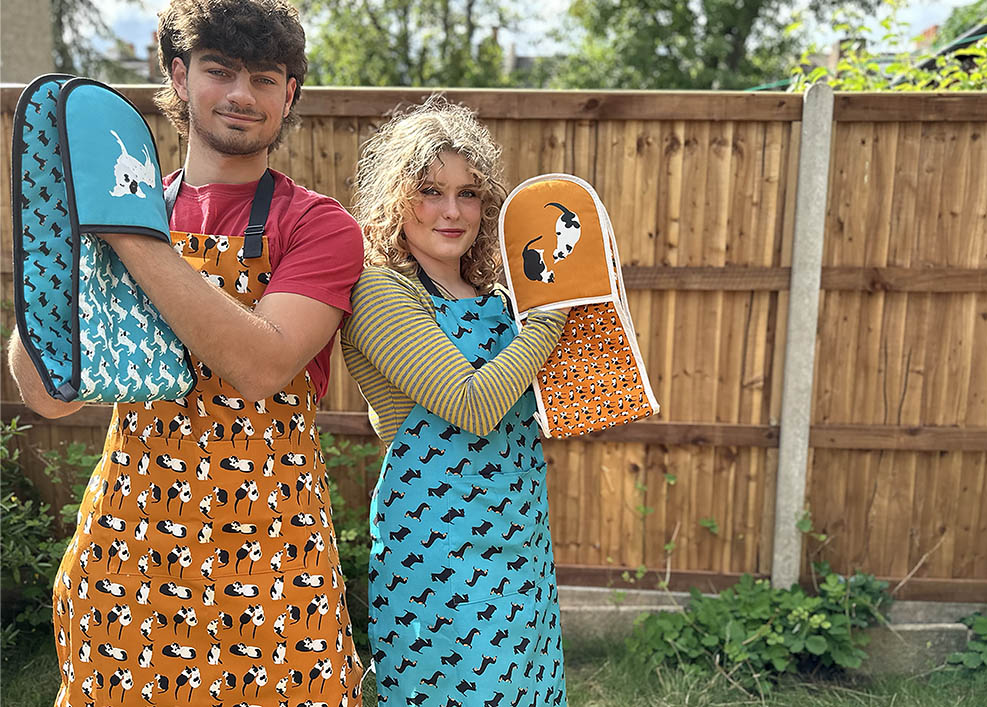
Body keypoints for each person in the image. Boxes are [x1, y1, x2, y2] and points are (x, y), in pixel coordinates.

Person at [6, 1, 365, 704]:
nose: (241, 95)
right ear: (178, 74)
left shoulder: (317, 226)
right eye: (219, 70)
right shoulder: (128, 211)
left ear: (289, 92)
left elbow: (260, 366)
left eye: (265, 78)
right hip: (129, 552)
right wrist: (63, 257)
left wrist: (128, 234)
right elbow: (47, 394)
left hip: (271, 559)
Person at [341, 97, 569, 705]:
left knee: (524, 687)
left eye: (468, 194)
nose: (451, 211)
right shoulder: (380, 291)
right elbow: (473, 403)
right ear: (395, 197)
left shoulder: (501, 294)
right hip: (438, 546)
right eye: (430, 190)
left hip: (520, 528)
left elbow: (544, 400)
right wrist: (550, 322)